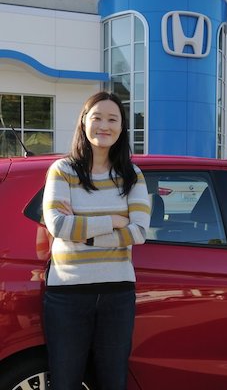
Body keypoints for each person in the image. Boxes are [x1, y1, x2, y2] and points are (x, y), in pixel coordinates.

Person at [42, 91, 151, 390]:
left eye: (112, 119)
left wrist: (84, 234)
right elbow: (58, 225)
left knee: (112, 381)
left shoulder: (132, 175)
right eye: (97, 118)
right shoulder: (63, 171)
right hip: (67, 294)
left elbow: (139, 232)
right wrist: (114, 222)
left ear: (121, 127)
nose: (104, 125)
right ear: (84, 123)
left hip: (117, 294)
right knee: (65, 382)